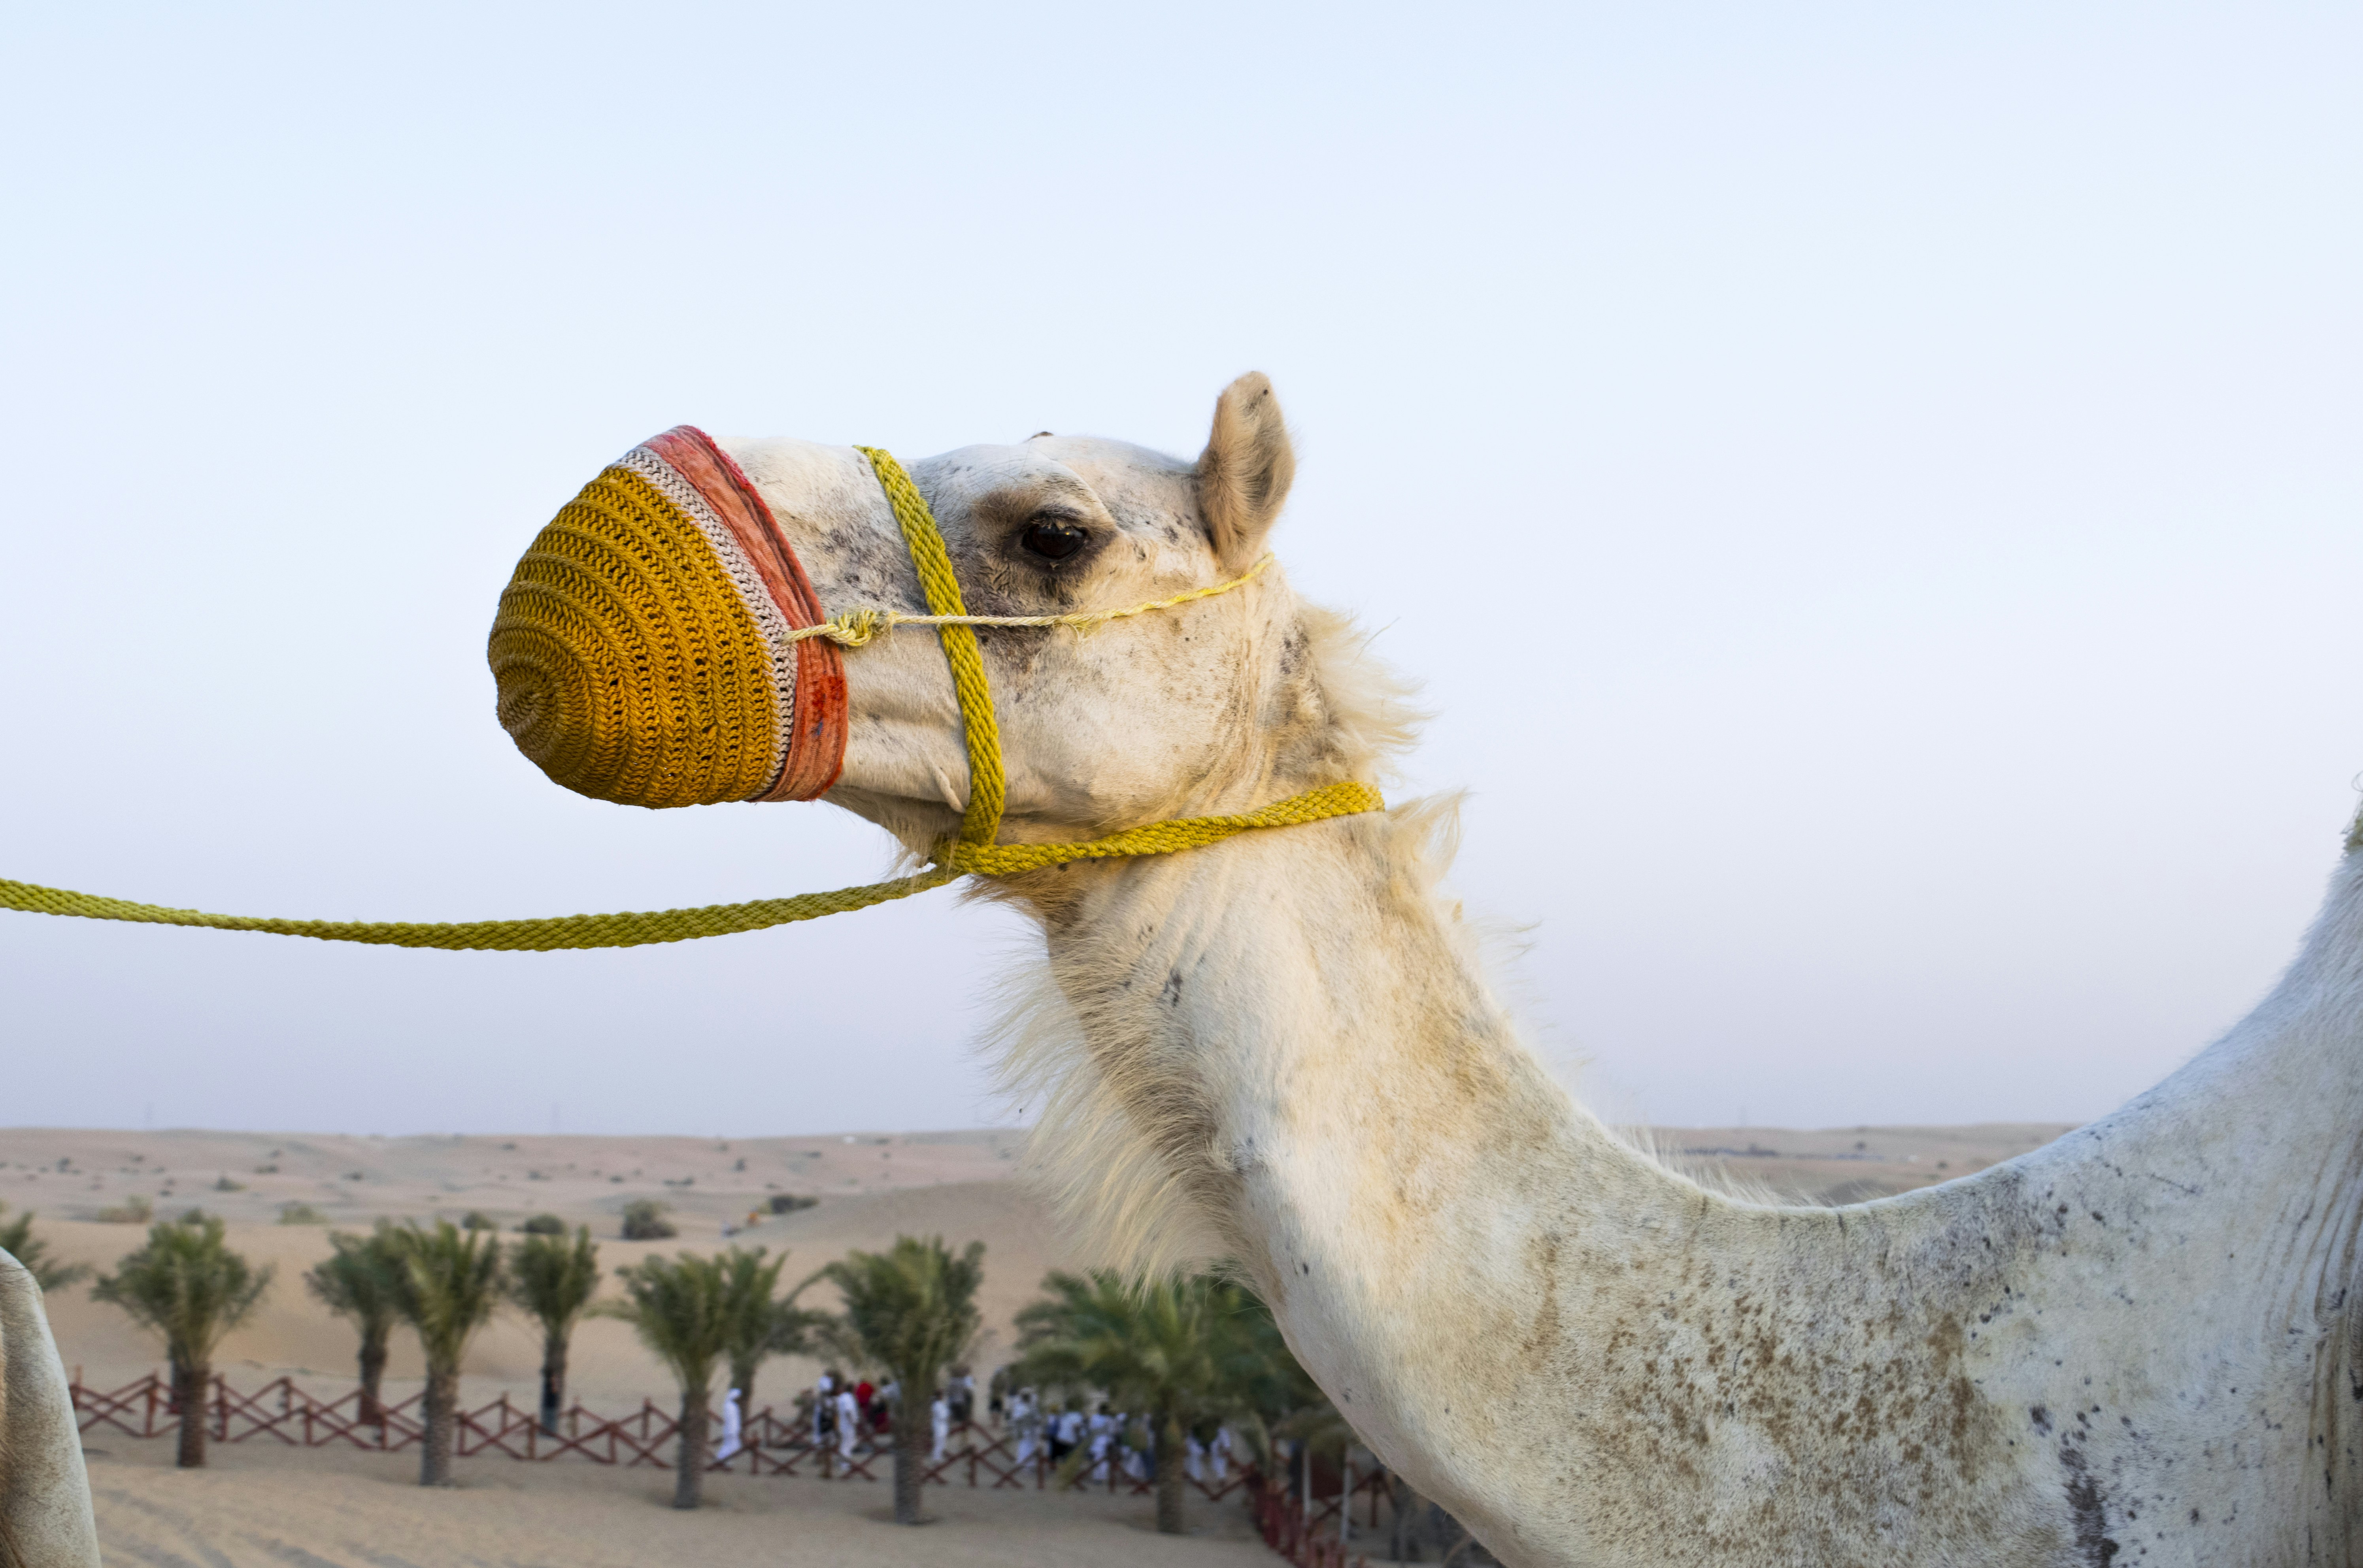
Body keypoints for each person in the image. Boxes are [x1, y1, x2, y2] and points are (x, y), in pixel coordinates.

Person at [715, 1388, 744, 1464]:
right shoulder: (730, 1406)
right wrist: (732, 1430)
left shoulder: (731, 1406)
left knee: (734, 1446)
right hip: (731, 1430)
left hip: (733, 1430)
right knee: (729, 1446)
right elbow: (731, 1420)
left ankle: (726, 1462)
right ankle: (721, 1460)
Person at [835, 1384, 861, 1464]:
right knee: (848, 1445)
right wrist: (854, 1421)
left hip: (842, 1424)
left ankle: (842, 1461)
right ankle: (845, 1464)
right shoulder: (848, 1398)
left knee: (844, 1444)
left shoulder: (841, 1398)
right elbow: (849, 1411)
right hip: (848, 1425)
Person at [930, 1389, 951, 1462]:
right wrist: (948, 1416)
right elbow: (942, 1416)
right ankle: (936, 1459)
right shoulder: (937, 1405)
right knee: (938, 1443)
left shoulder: (940, 1404)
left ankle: (938, 1458)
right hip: (939, 1426)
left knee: (942, 1443)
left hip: (942, 1426)